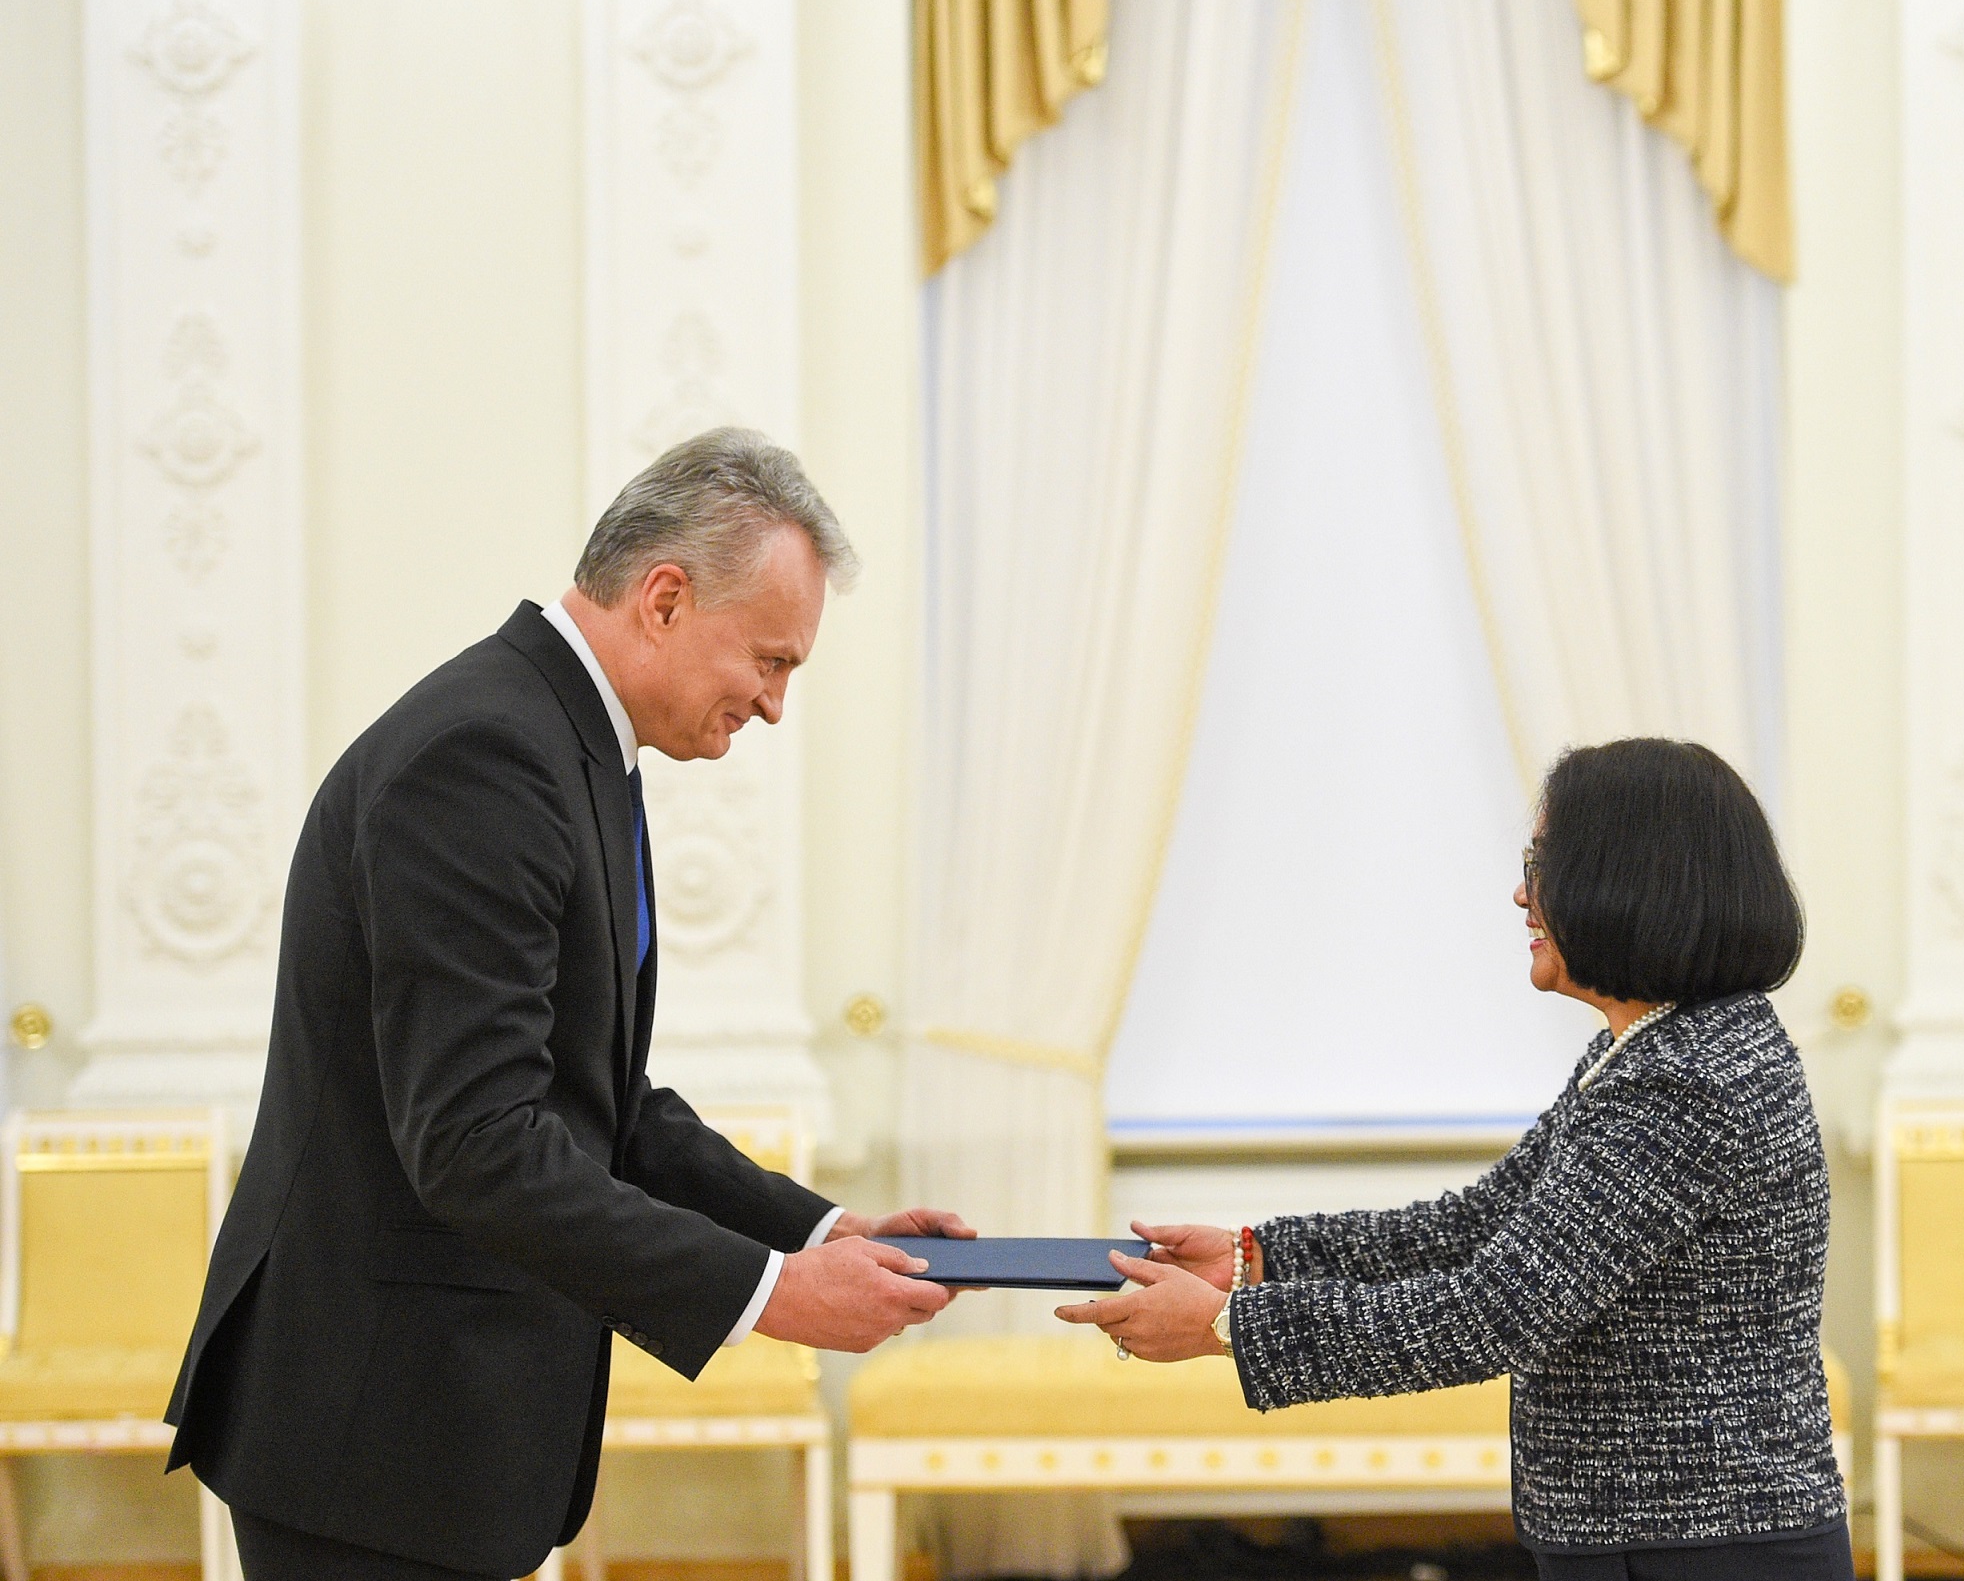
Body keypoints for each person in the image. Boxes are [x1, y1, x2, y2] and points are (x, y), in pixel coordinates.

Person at [167, 428, 971, 1580]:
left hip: (418, 1437)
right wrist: (777, 1294)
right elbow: (478, 1141)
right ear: (664, 597)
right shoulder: (488, 752)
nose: (777, 704)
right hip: (370, 1438)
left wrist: (819, 1231)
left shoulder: (563, 740)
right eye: (772, 660)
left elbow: (604, 1103)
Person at [1059, 738, 1848, 1580]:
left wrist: (1227, 1328)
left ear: (1632, 875)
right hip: (1667, 1535)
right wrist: (1259, 1257)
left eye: (1542, 863)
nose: (1521, 892)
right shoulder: (1657, 1050)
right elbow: (1478, 1224)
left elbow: (1494, 1311)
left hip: (1699, 1544)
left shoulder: (1684, 1081)